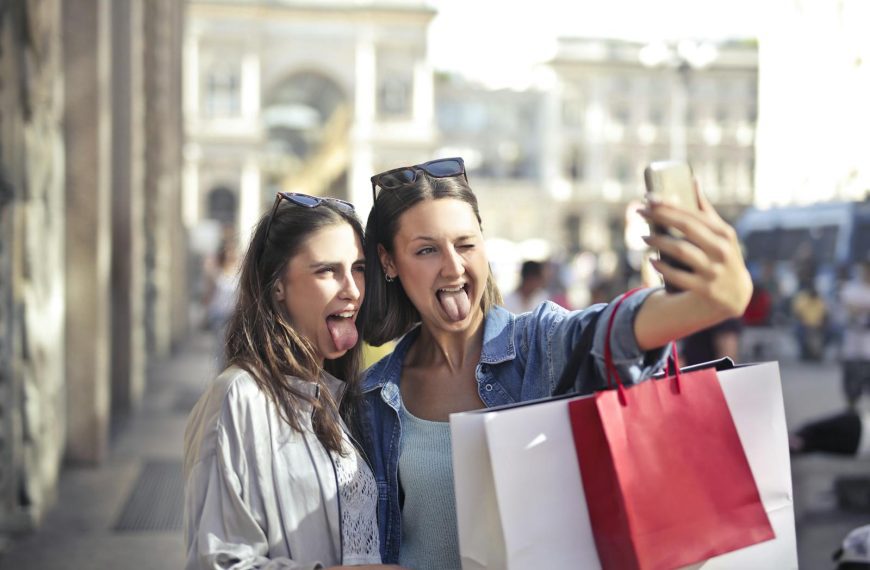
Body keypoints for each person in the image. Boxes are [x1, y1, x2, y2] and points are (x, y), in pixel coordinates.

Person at [356, 157, 753, 568]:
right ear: (388, 262)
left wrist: (702, 301)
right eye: (426, 250)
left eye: (466, 244)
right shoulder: (373, 397)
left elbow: (610, 333)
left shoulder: (541, 344)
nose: (454, 266)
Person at [183, 192, 403, 570]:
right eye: (327, 270)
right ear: (278, 284)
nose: (352, 289)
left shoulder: (336, 398)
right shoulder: (240, 396)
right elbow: (218, 561)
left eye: (359, 269)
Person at [201, 238, 240, 369]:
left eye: (231, 251)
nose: (229, 254)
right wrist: (205, 313)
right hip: (219, 315)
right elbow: (209, 294)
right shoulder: (216, 272)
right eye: (226, 251)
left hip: (234, 315)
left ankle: (227, 371)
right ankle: (221, 373)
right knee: (221, 347)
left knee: (233, 347)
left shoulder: (239, 271)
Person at [841, 260, 870, 408]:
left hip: (867, 343)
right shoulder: (852, 288)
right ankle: (851, 406)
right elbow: (849, 307)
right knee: (851, 380)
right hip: (852, 341)